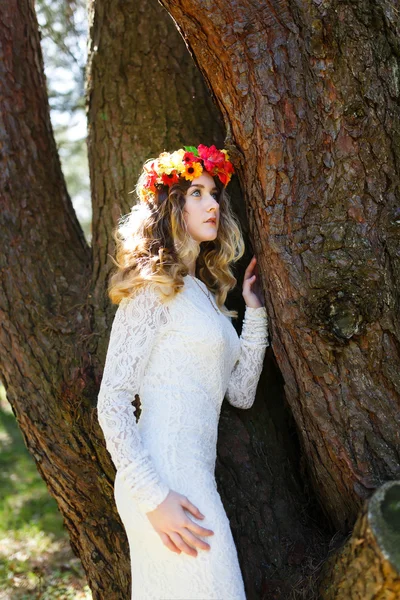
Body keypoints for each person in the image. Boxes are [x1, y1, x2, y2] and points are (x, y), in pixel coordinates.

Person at [97, 144, 270, 599]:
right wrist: (153, 499)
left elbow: (240, 393)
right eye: (197, 193)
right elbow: (112, 401)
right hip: (161, 476)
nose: (213, 204)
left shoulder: (202, 295)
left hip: (193, 474)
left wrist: (253, 314)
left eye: (214, 194)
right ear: (172, 205)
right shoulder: (153, 290)